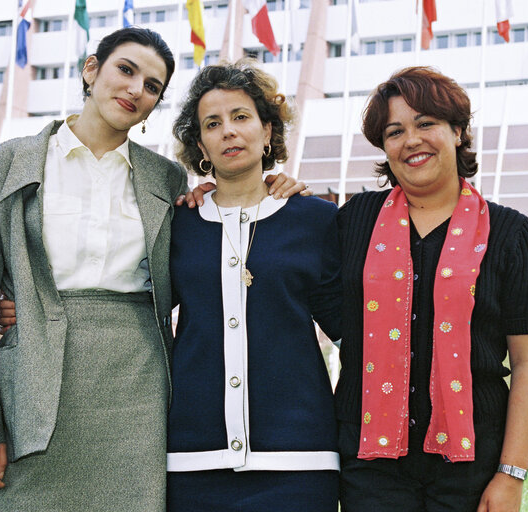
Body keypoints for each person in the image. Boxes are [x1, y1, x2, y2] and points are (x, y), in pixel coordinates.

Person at [0, 27, 303, 511]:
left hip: (137, 390)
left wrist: (275, 189)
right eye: (126, 70)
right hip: (32, 392)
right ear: (91, 70)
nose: (137, 89)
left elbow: (205, 261)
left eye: (153, 86)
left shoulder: (166, 178)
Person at [334, 67, 528, 512]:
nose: (411, 140)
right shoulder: (353, 220)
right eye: (395, 131)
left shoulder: (510, 233)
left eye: (426, 123)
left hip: (472, 468)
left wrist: (511, 475)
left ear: (457, 131)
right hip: (370, 469)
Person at [164, 59, 341, 512]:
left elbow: (352, 328)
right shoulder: (176, 225)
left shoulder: (317, 220)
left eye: (241, 117)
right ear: (199, 143)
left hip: (300, 460)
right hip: (193, 458)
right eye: (212, 123)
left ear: (267, 131)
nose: (228, 131)